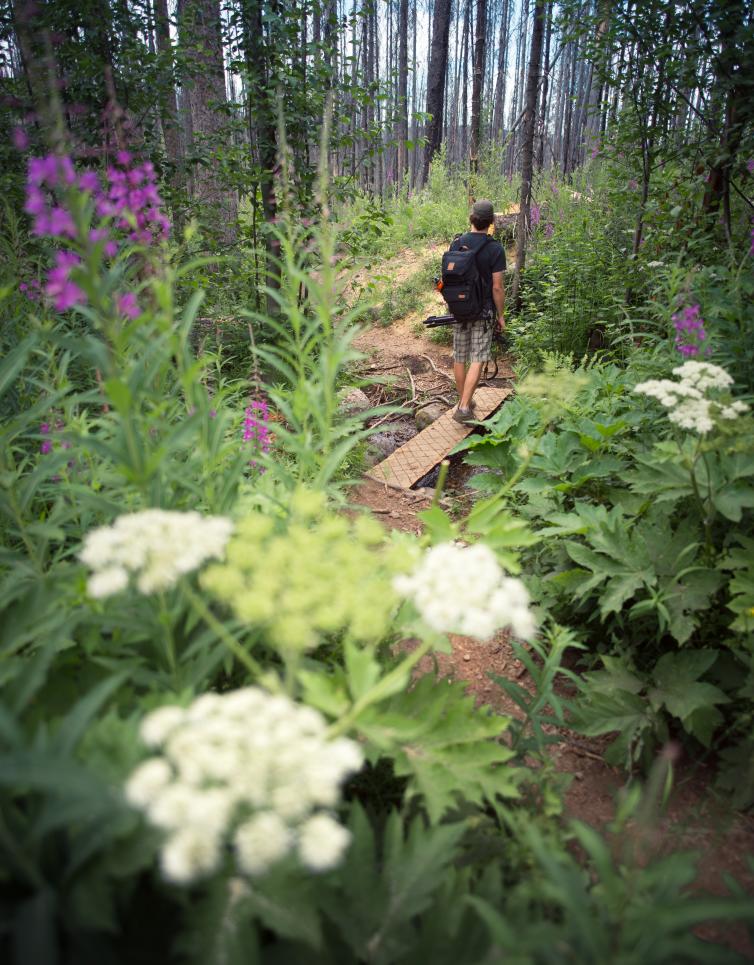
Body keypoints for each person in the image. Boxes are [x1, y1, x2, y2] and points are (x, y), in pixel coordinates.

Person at [451, 199, 506, 423]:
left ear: (471, 218)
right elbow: (497, 287)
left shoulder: (457, 243)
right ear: (491, 222)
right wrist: (501, 315)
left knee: (460, 356)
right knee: (479, 356)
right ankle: (464, 407)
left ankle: (464, 400)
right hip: (483, 312)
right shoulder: (495, 249)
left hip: (459, 309)